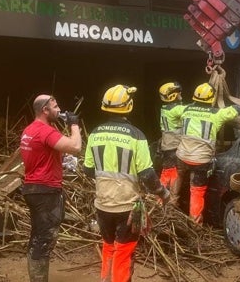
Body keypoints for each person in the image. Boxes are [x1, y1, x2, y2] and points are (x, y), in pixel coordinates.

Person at [84, 84, 170, 282]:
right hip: (127, 207)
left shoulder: (95, 133)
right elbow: (147, 174)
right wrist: (163, 193)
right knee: (124, 251)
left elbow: (88, 170)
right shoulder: (136, 135)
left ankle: (106, 278)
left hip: (103, 204)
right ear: (129, 106)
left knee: (108, 246)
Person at [20, 94, 82, 282]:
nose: (59, 110)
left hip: (33, 188)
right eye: (55, 107)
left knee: (38, 236)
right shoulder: (45, 131)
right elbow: (76, 146)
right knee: (44, 239)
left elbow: (41, 156)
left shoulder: (30, 130)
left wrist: (61, 161)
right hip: (45, 191)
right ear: (45, 110)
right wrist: (74, 124)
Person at [170, 82, 240, 224]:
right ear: (211, 99)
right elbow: (236, 109)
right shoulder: (217, 114)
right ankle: (194, 223)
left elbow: (172, 111)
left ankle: (170, 207)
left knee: (177, 177)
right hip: (200, 160)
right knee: (196, 191)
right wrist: (233, 103)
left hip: (182, 156)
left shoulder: (185, 110)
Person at [157, 81, 184, 190]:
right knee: (171, 173)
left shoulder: (166, 108)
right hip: (173, 147)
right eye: (179, 92)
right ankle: (166, 199)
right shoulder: (175, 110)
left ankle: (162, 197)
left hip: (167, 145)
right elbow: (190, 111)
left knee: (168, 172)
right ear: (173, 95)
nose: (180, 94)